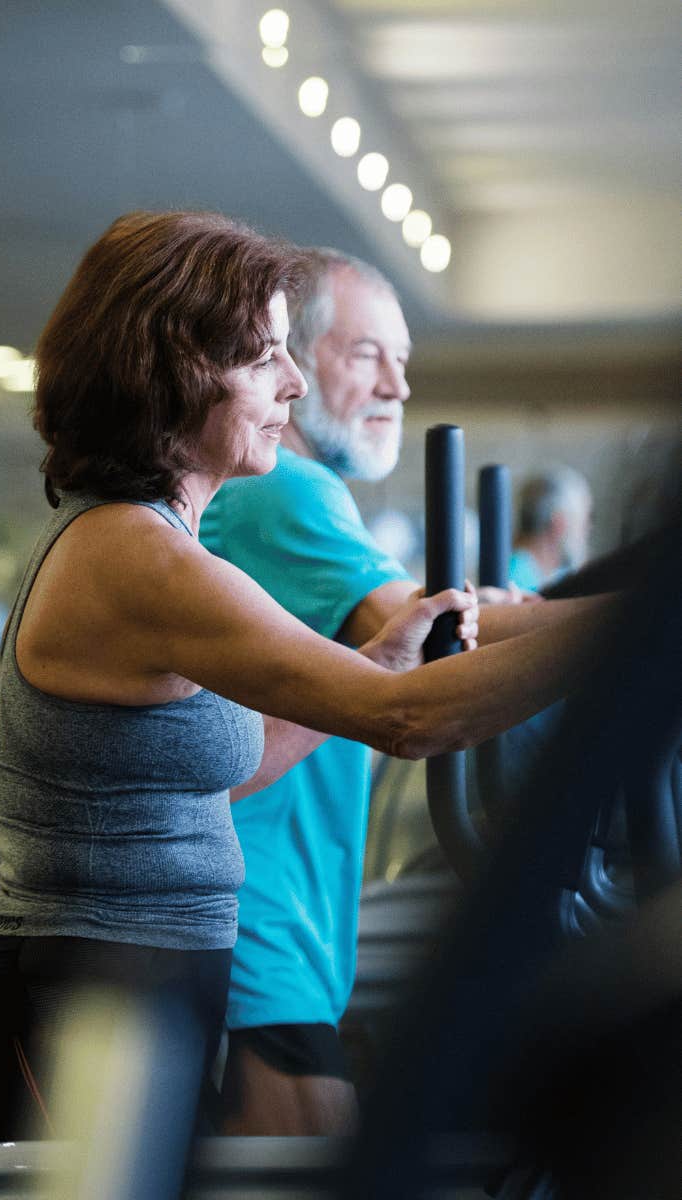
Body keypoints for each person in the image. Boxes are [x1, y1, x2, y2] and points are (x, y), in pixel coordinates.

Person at [0, 213, 616, 1145]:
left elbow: (227, 770)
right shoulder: (134, 553)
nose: (294, 383)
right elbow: (406, 722)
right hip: (81, 1004)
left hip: (145, 991)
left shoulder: (157, 537)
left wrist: (372, 662)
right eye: (266, 357)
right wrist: (631, 630)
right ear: (178, 369)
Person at [198, 248, 590, 1134]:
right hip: (254, 918)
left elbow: (425, 624)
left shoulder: (298, 493)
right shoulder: (284, 489)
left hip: (283, 914)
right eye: (368, 353)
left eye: (402, 360)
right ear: (293, 361)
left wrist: (488, 612)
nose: (397, 386)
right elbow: (438, 648)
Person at [509, 467, 593, 592]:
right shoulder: (514, 578)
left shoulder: (560, 572)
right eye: (583, 521)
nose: (588, 529)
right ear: (559, 524)